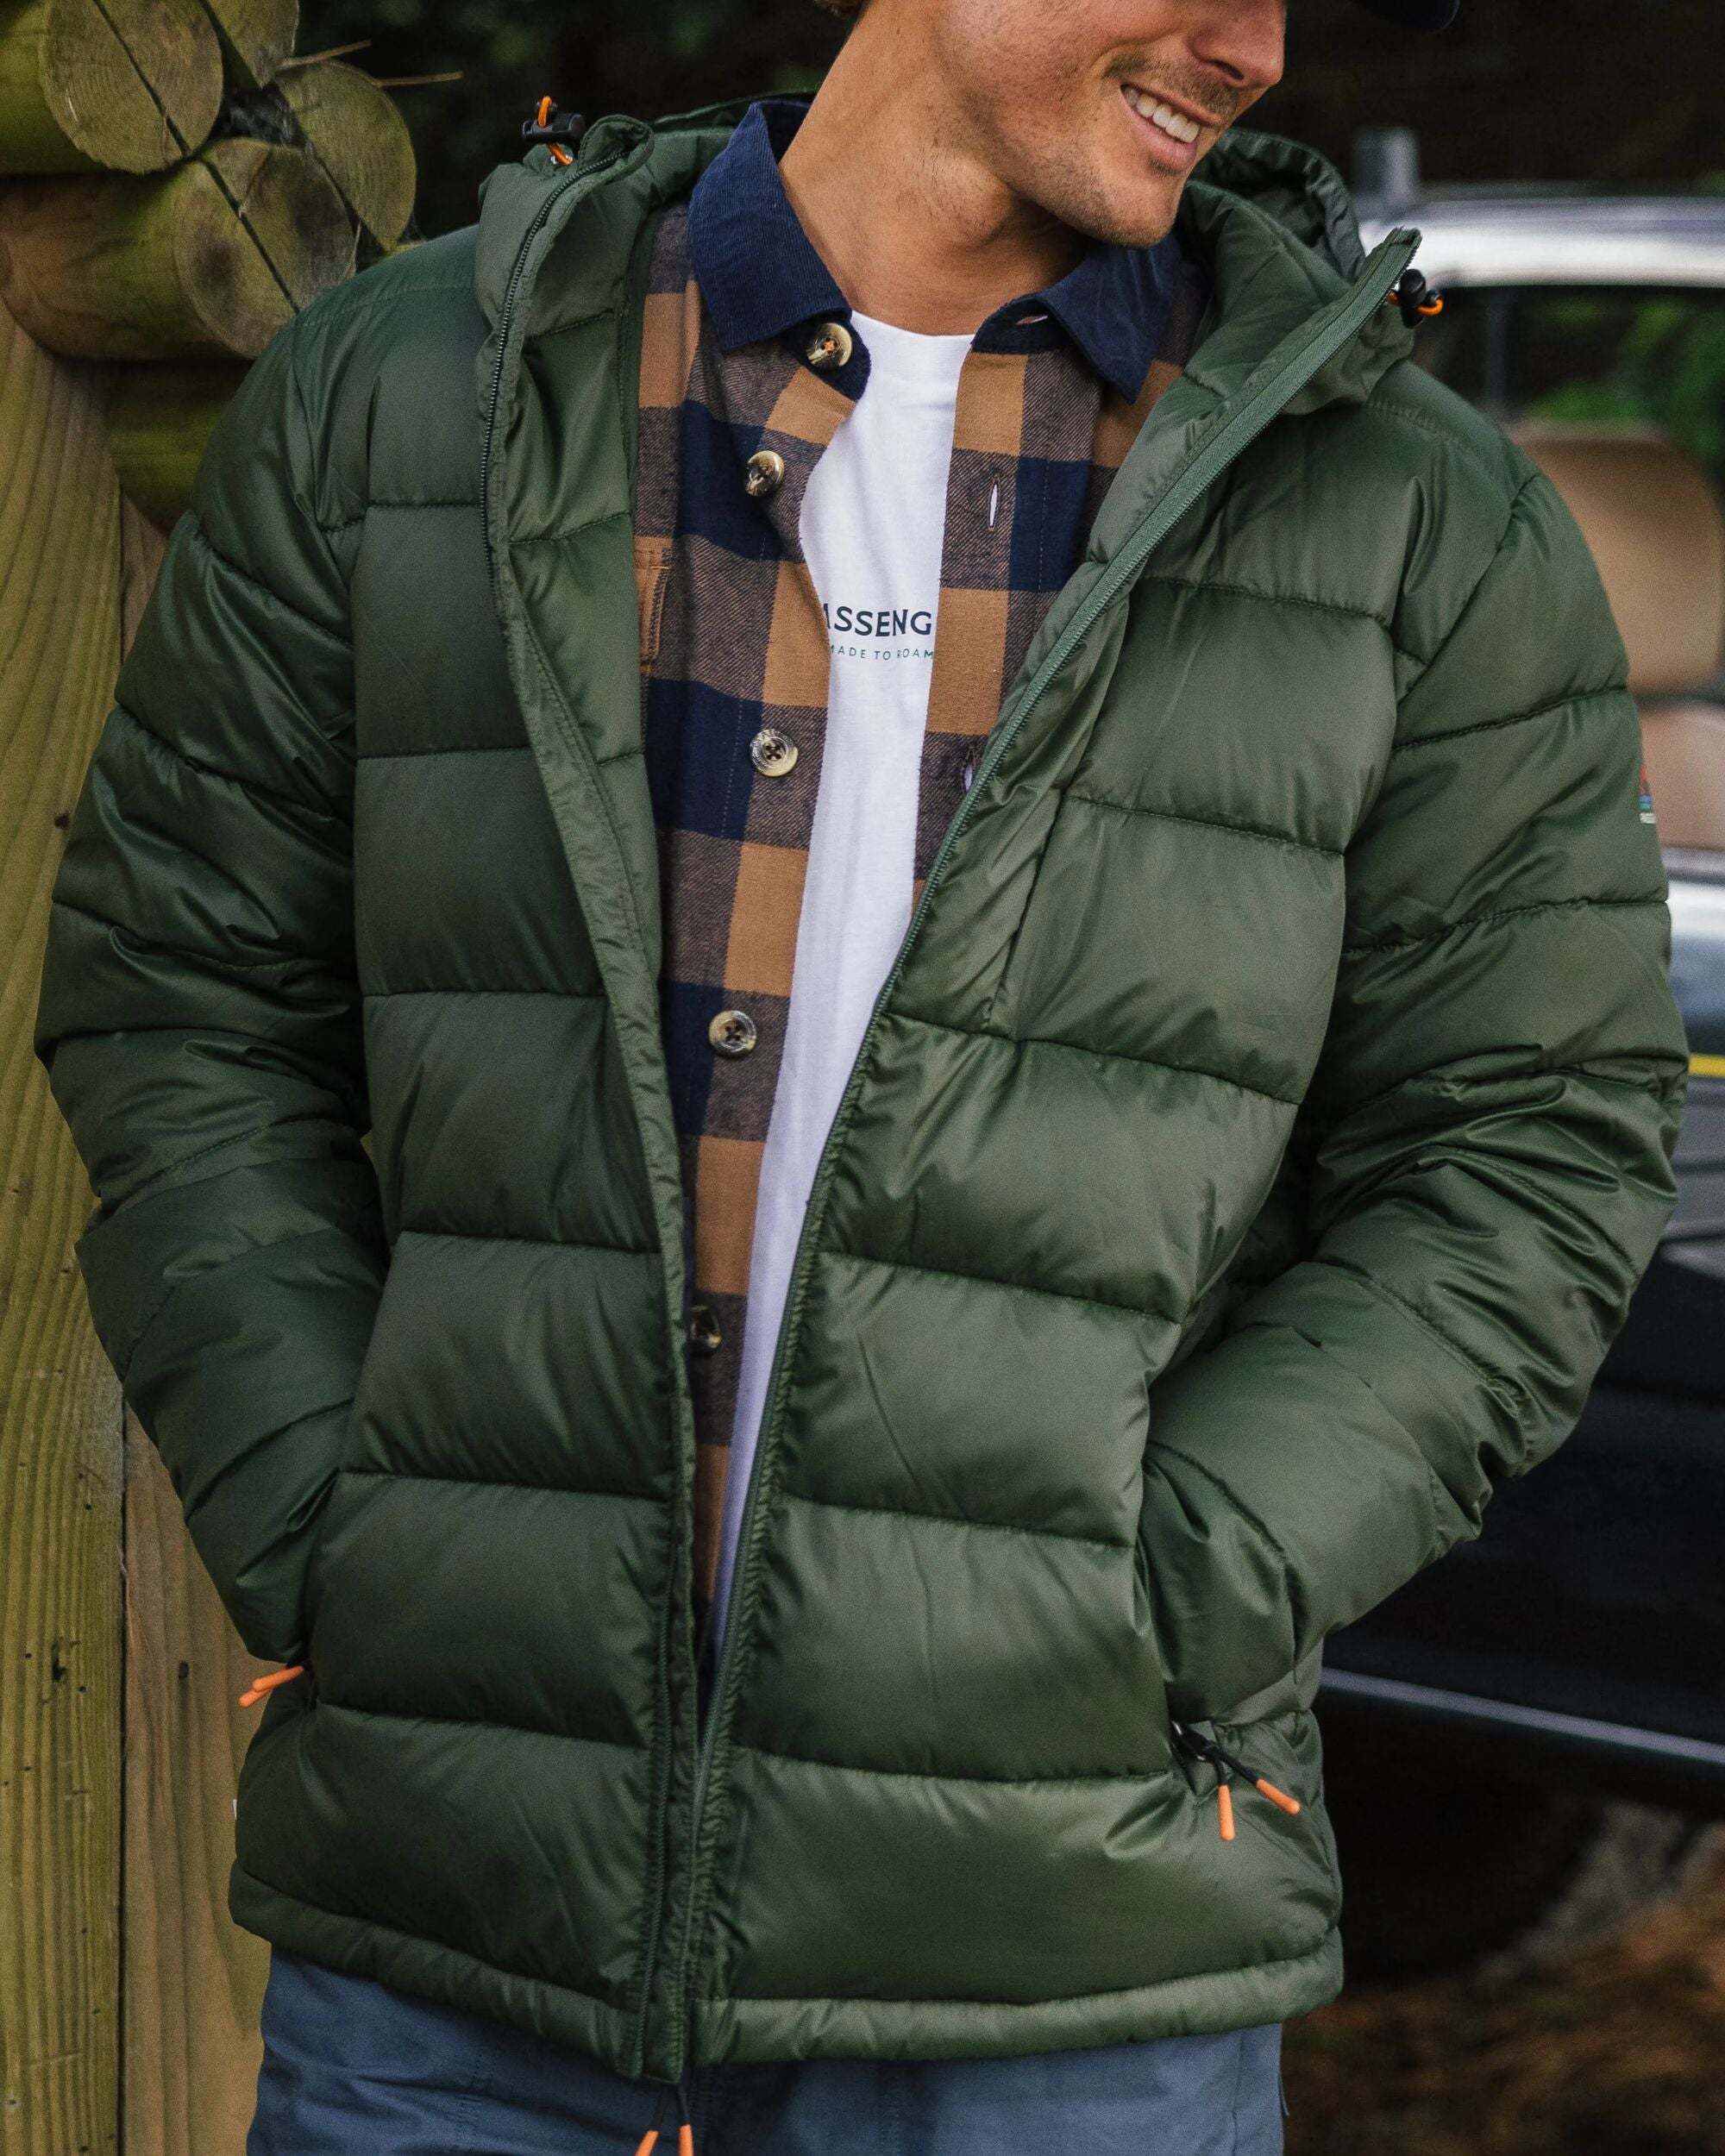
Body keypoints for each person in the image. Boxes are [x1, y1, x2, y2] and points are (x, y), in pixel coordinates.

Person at [34, 0, 1687, 2148]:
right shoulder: (411, 390)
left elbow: (1530, 1146)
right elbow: (185, 997)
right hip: (464, 1935)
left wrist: (1163, 1598)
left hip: (1066, 1961)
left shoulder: (1408, 518)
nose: (1255, 46)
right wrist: (342, 1530)